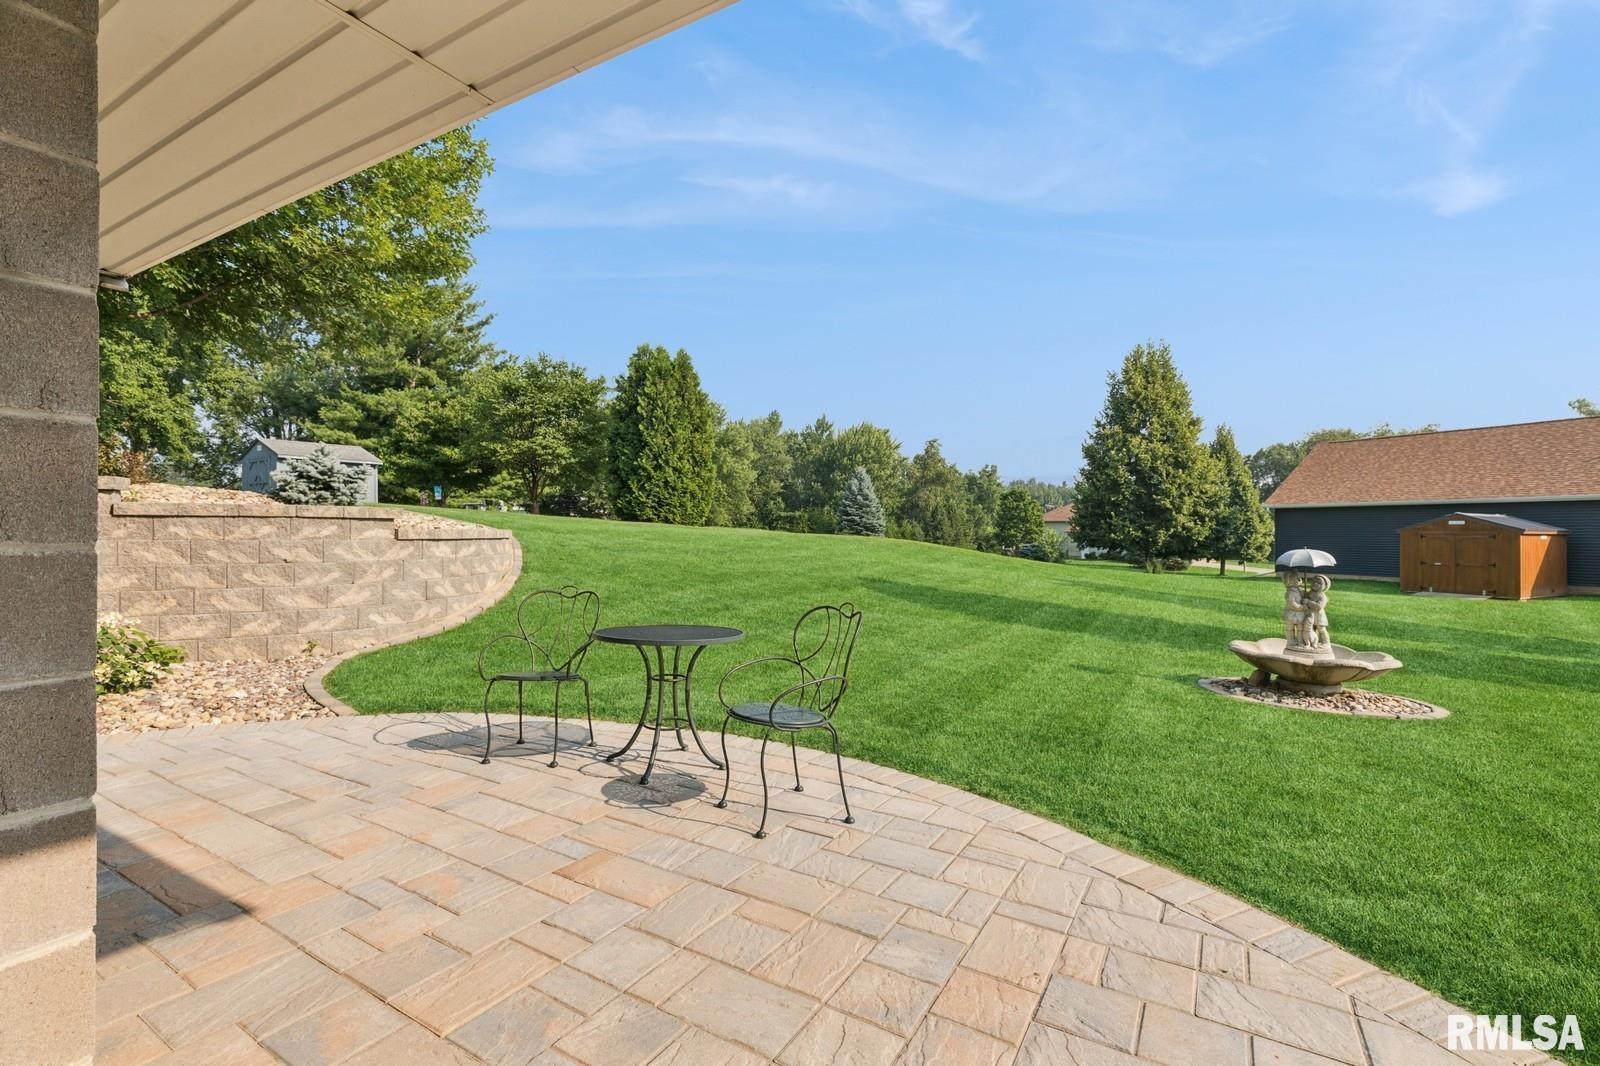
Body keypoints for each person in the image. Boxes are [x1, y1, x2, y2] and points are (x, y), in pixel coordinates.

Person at [1304, 574, 1331, 648]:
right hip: (1311, 615)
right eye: (1314, 582)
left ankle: (1326, 642)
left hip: (1319, 616)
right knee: (1311, 629)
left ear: (1324, 586)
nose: (1316, 584)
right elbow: (1305, 597)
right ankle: (1313, 641)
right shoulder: (1310, 593)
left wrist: (1308, 602)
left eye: (1319, 583)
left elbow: (1319, 606)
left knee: (1321, 629)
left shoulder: (1322, 596)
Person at [1281, 571, 1306, 647]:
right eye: (1297, 579)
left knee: (1300, 628)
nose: (1299, 580)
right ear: (1289, 581)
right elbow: (1292, 604)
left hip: (1299, 615)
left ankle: (1300, 641)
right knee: (1290, 628)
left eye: (1300, 578)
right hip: (1291, 614)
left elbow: (1303, 598)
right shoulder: (1290, 593)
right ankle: (1290, 641)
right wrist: (1301, 607)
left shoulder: (1299, 591)